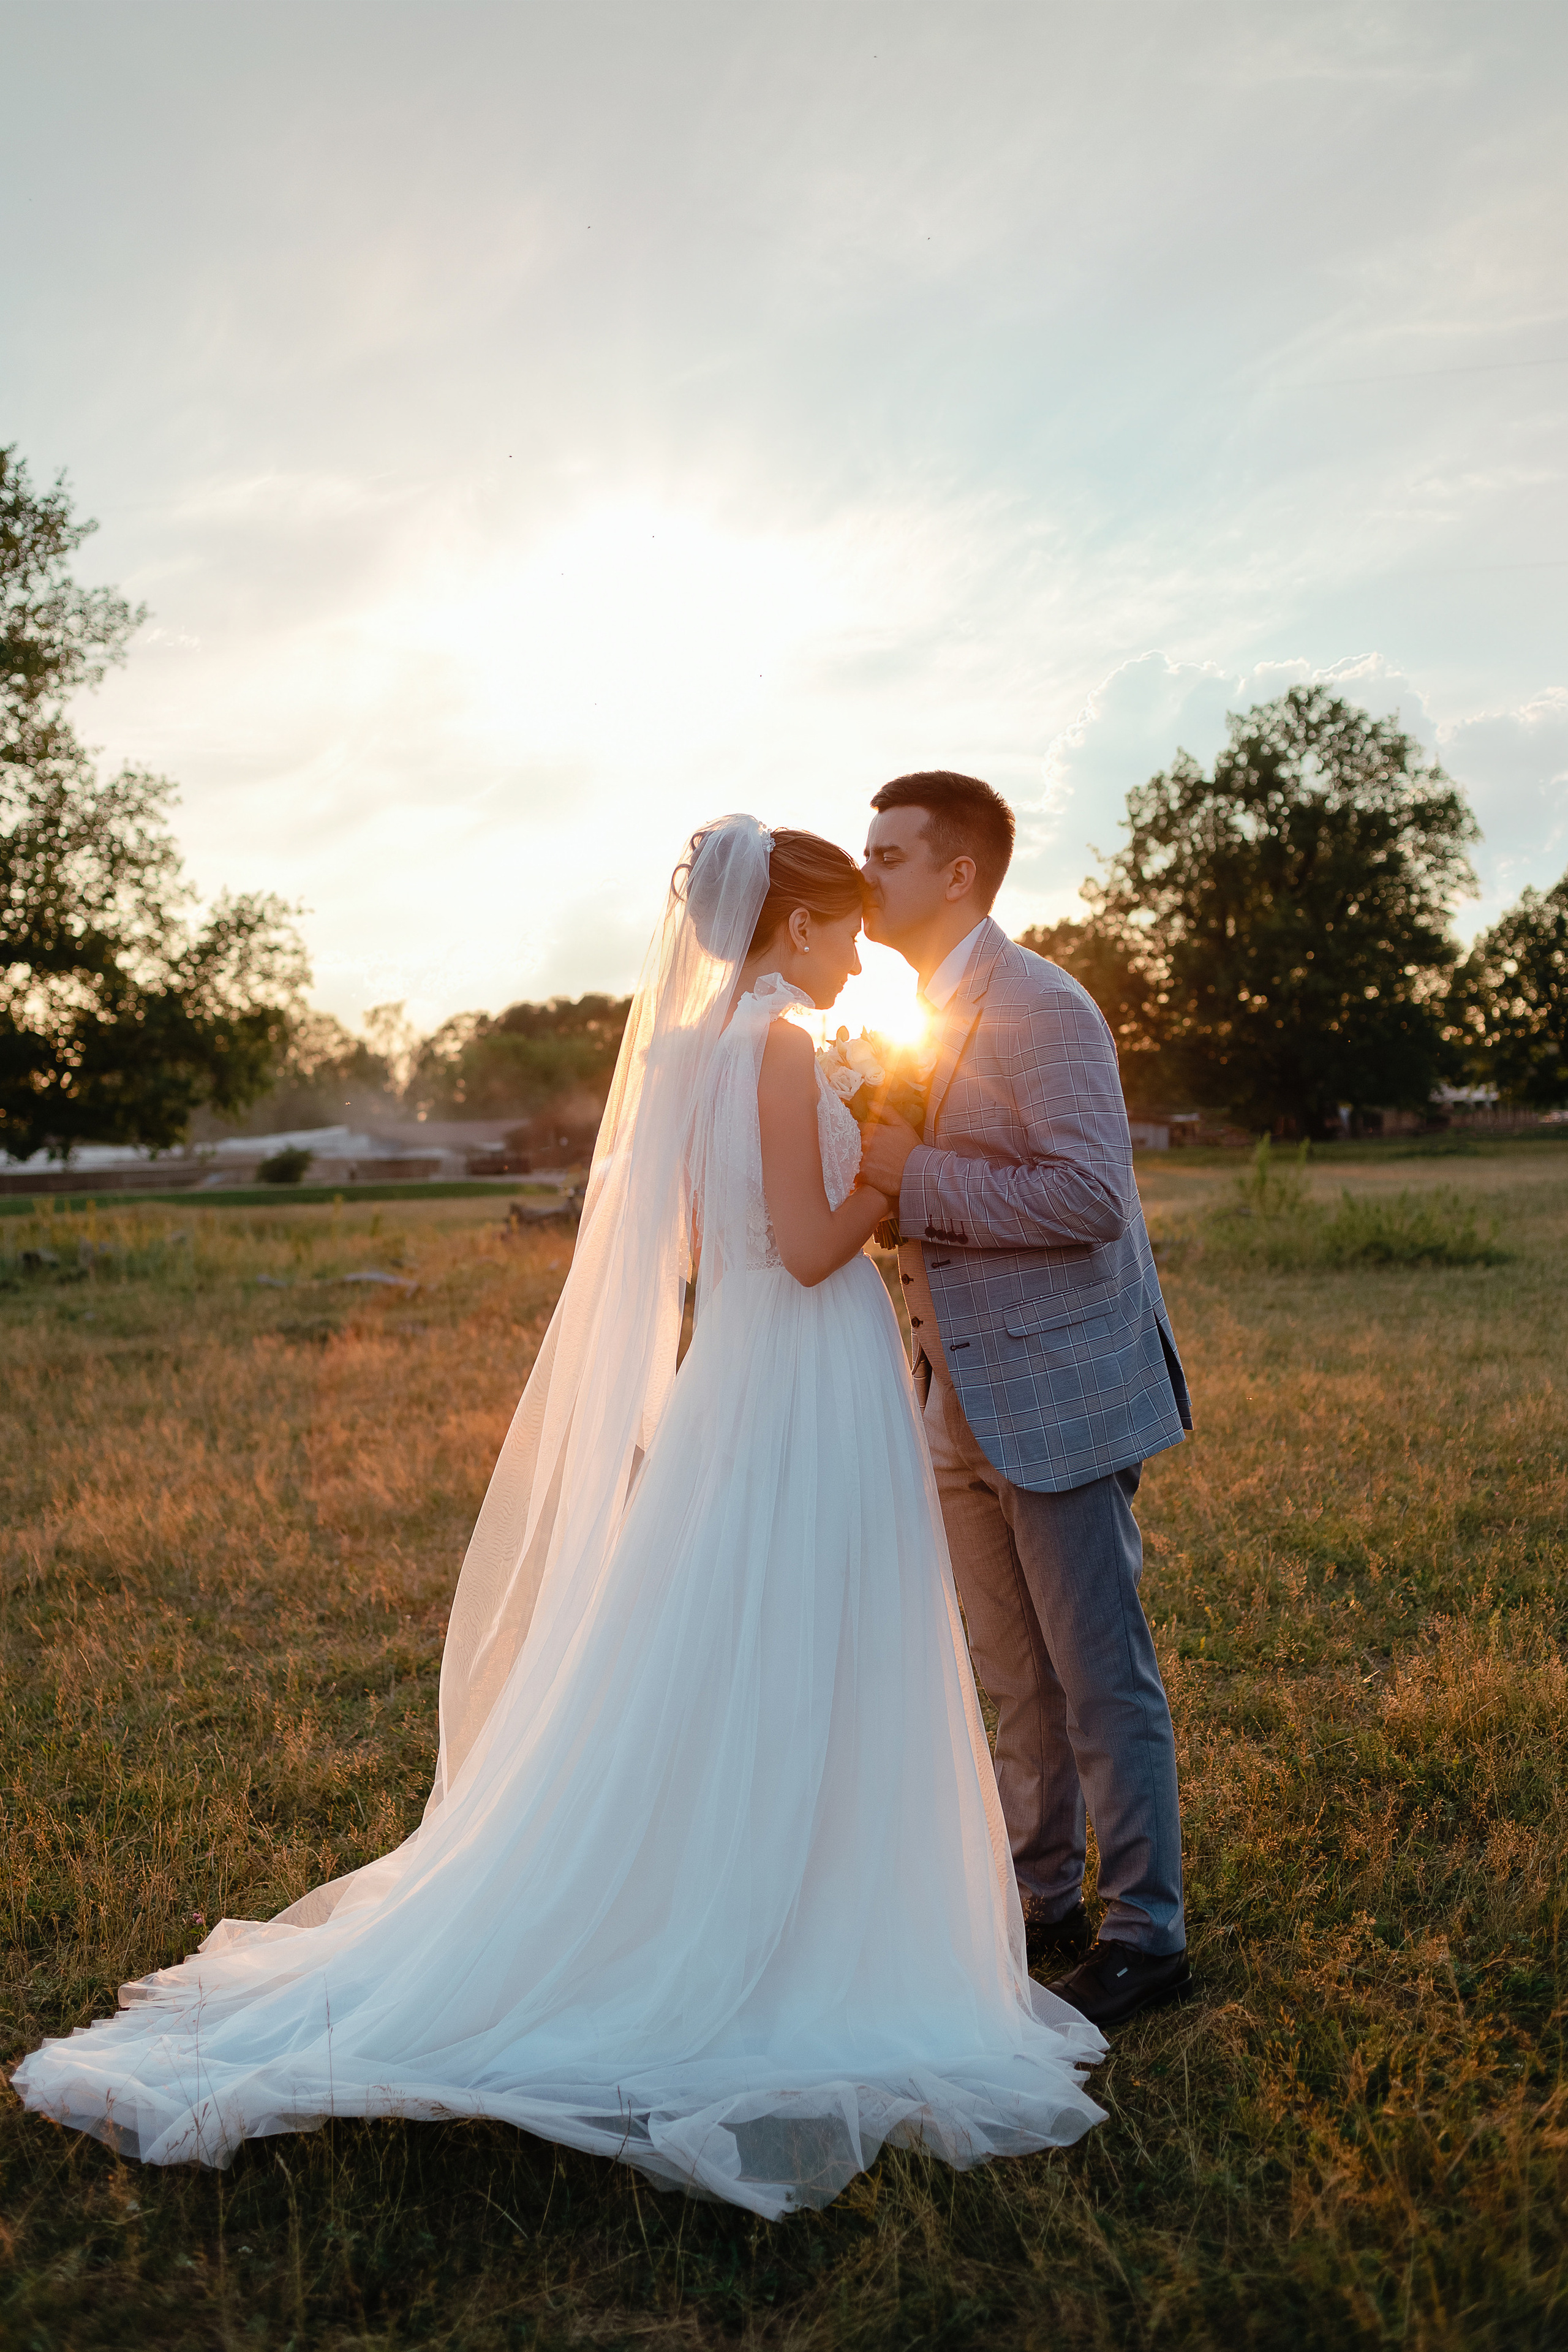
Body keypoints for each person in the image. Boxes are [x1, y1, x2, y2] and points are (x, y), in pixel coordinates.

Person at [13, 816, 1105, 2218]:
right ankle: (791, 1924)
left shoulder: (690, 1056)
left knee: (732, 1638)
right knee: (812, 1635)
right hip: (803, 1384)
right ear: (795, 929)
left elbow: (719, 1240)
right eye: (840, 931)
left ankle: (767, 1879)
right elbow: (816, 1239)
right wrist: (886, 1160)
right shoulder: (777, 1047)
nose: (855, 958)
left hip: (746, 1374)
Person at [857, 772, 1194, 2028]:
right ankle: (1039, 1891)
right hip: (952, 1389)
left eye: (887, 855)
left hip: (1054, 1392)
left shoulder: (1039, 1005)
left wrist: (914, 1175)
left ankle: (1146, 1936)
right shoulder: (923, 1013)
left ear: (957, 875)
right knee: (1012, 1676)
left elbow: (1086, 1200)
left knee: (1099, 1675)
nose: (864, 872)